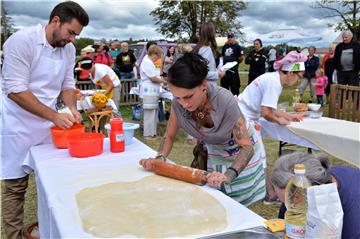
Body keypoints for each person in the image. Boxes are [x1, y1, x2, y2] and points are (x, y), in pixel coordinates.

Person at [0, 2, 88, 238]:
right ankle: (13, 236)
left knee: (52, 181)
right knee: (16, 187)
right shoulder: (21, 41)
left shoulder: (68, 50)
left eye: (77, 35)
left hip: (50, 124)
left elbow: (68, 84)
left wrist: (71, 108)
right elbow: (15, 90)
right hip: (16, 123)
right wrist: (54, 116)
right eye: (71, 32)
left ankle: (49, 228)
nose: (72, 39)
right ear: (56, 21)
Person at [140, 53, 266, 206]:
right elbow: (169, 136)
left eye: (188, 96)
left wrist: (229, 174)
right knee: (217, 199)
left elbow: (246, 147)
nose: (184, 104)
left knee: (239, 200)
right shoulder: (177, 103)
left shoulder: (224, 100)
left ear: (203, 85)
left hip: (240, 150)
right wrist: (159, 159)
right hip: (215, 150)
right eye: (178, 98)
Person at [238, 51, 307, 204]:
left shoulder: (273, 79)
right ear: (290, 73)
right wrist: (279, 121)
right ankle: (269, 195)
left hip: (244, 114)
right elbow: (267, 113)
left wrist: (289, 116)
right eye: (298, 76)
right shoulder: (274, 83)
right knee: (260, 156)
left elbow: (271, 108)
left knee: (257, 155)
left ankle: (265, 191)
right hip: (244, 117)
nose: (297, 80)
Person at [270, 152, 360, 239]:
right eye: (284, 202)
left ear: (315, 191)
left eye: (294, 200)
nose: (291, 208)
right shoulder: (296, 192)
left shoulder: (351, 211)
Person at [140, 45, 167, 139]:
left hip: (152, 90)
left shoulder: (149, 61)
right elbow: (153, 78)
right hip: (149, 90)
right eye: (158, 56)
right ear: (154, 54)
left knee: (153, 112)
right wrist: (165, 81)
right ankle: (148, 134)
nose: (158, 59)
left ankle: (152, 133)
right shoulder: (147, 62)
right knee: (149, 113)